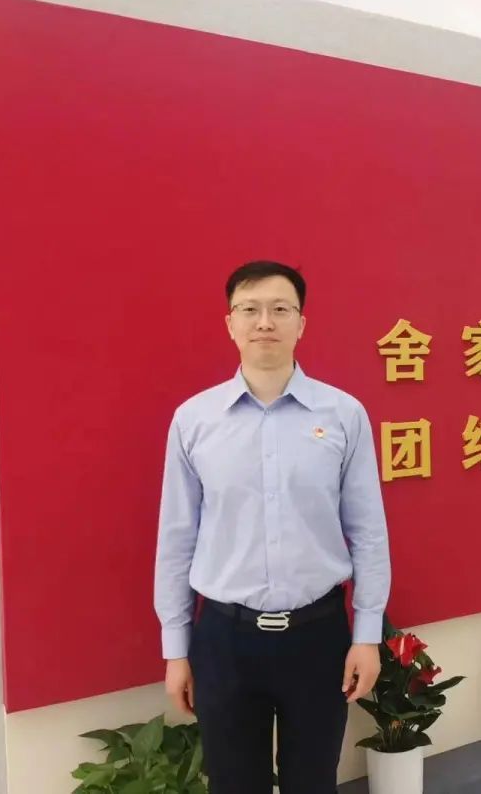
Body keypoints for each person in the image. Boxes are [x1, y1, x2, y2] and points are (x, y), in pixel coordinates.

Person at [154, 260, 391, 793]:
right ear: (230, 323)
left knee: (314, 780)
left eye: (280, 309)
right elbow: (176, 538)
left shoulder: (343, 414)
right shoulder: (195, 420)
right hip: (224, 637)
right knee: (235, 783)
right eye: (250, 309)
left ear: (301, 323)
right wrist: (176, 649)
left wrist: (367, 635)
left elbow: (368, 532)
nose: (265, 321)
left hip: (319, 635)